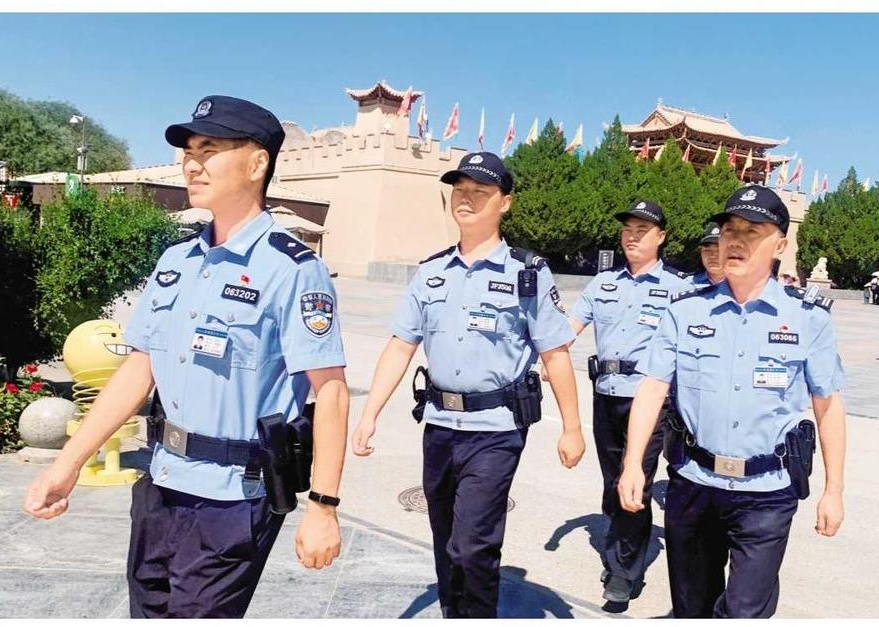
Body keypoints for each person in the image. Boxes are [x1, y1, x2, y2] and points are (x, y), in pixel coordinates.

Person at [24, 95, 351, 618]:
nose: (192, 164)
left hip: (233, 497)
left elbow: (329, 391)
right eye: (188, 152)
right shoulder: (176, 261)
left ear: (257, 163)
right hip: (160, 484)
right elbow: (139, 368)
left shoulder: (291, 269)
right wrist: (68, 464)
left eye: (210, 150)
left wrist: (324, 507)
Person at [351, 151, 586, 618]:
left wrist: (573, 427)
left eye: (480, 191)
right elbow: (401, 345)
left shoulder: (526, 273)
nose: (467, 199)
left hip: (495, 430)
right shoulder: (431, 271)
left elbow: (556, 353)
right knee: (445, 540)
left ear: (505, 203)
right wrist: (369, 413)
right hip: (439, 425)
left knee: (472, 545)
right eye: (460, 190)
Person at [618, 184, 846, 618]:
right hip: (694, 483)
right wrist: (633, 464)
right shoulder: (685, 310)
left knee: (744, 611)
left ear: (780, 244)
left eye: (751, 231)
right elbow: (652, 388)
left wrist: (833, 491)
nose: (736, 240)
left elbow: (828, 405)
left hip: (766, 492)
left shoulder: (808, 318)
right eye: (729, 230)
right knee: (692, 608)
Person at [565, 200, 692, 607]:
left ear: (661, 237)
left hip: (649, 401)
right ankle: (618, 546)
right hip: (606, 395)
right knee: (612, 481)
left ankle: (624, 571)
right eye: (627, 229)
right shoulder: (603, 284)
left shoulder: (678, 288)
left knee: (635, 478)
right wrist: (545, 357)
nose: (632, 236)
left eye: (642, 230)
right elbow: (568, 329)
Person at [692, 222, 724, 288]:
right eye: (707, 250)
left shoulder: (745, 288)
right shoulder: (686, 284)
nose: (713, 255)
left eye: (720, 250)